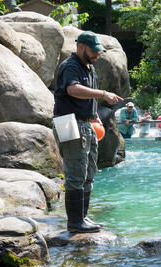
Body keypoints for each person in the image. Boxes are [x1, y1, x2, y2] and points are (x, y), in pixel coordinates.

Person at [53, 31, 123, 233]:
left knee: (89, 171)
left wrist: (95, 115)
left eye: (99, 51)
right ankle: (75, 223)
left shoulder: (90, 68)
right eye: (93, 51)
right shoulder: (70, 66)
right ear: (80, 47)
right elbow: (72, 90)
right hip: (68, 122)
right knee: (75, 172)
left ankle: (83, 217)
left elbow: (87, 99)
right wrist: (103, 94)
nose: (97, 55)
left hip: (86, 124)